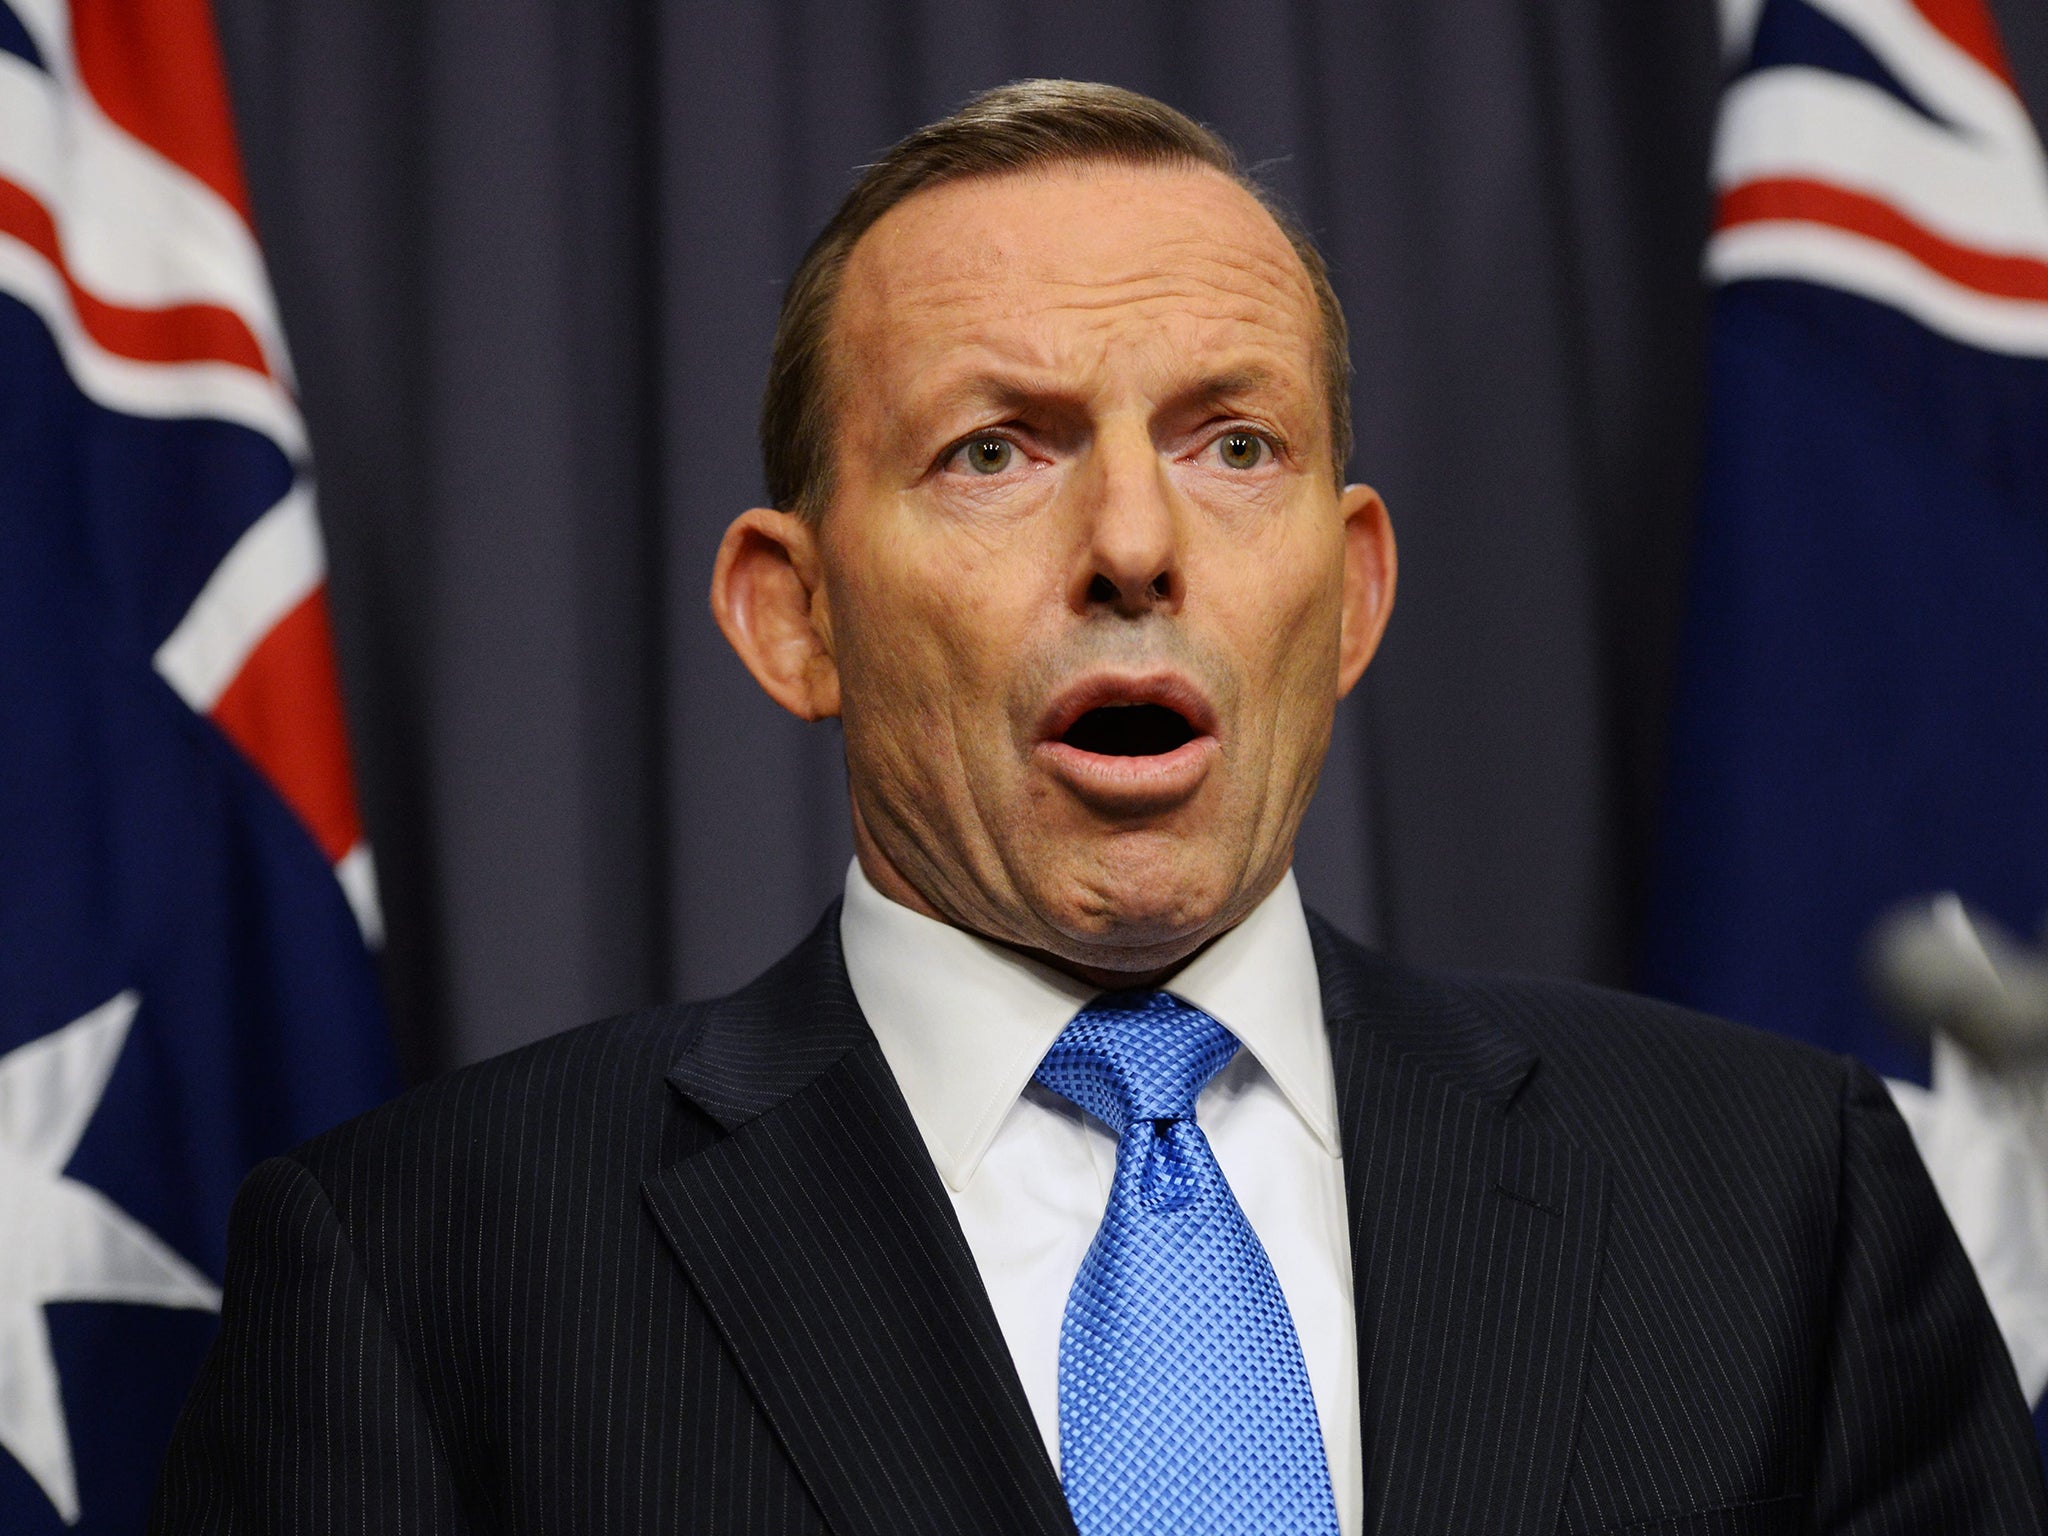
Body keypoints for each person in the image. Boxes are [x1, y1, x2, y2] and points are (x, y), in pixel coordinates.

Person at [152, 80, 2047, 1534]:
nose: (1137, 544)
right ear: (791, 614)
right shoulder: (423, 1269)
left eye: (1236, 446)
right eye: (997, 451)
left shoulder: (1781, 1196)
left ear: (1356, 588)